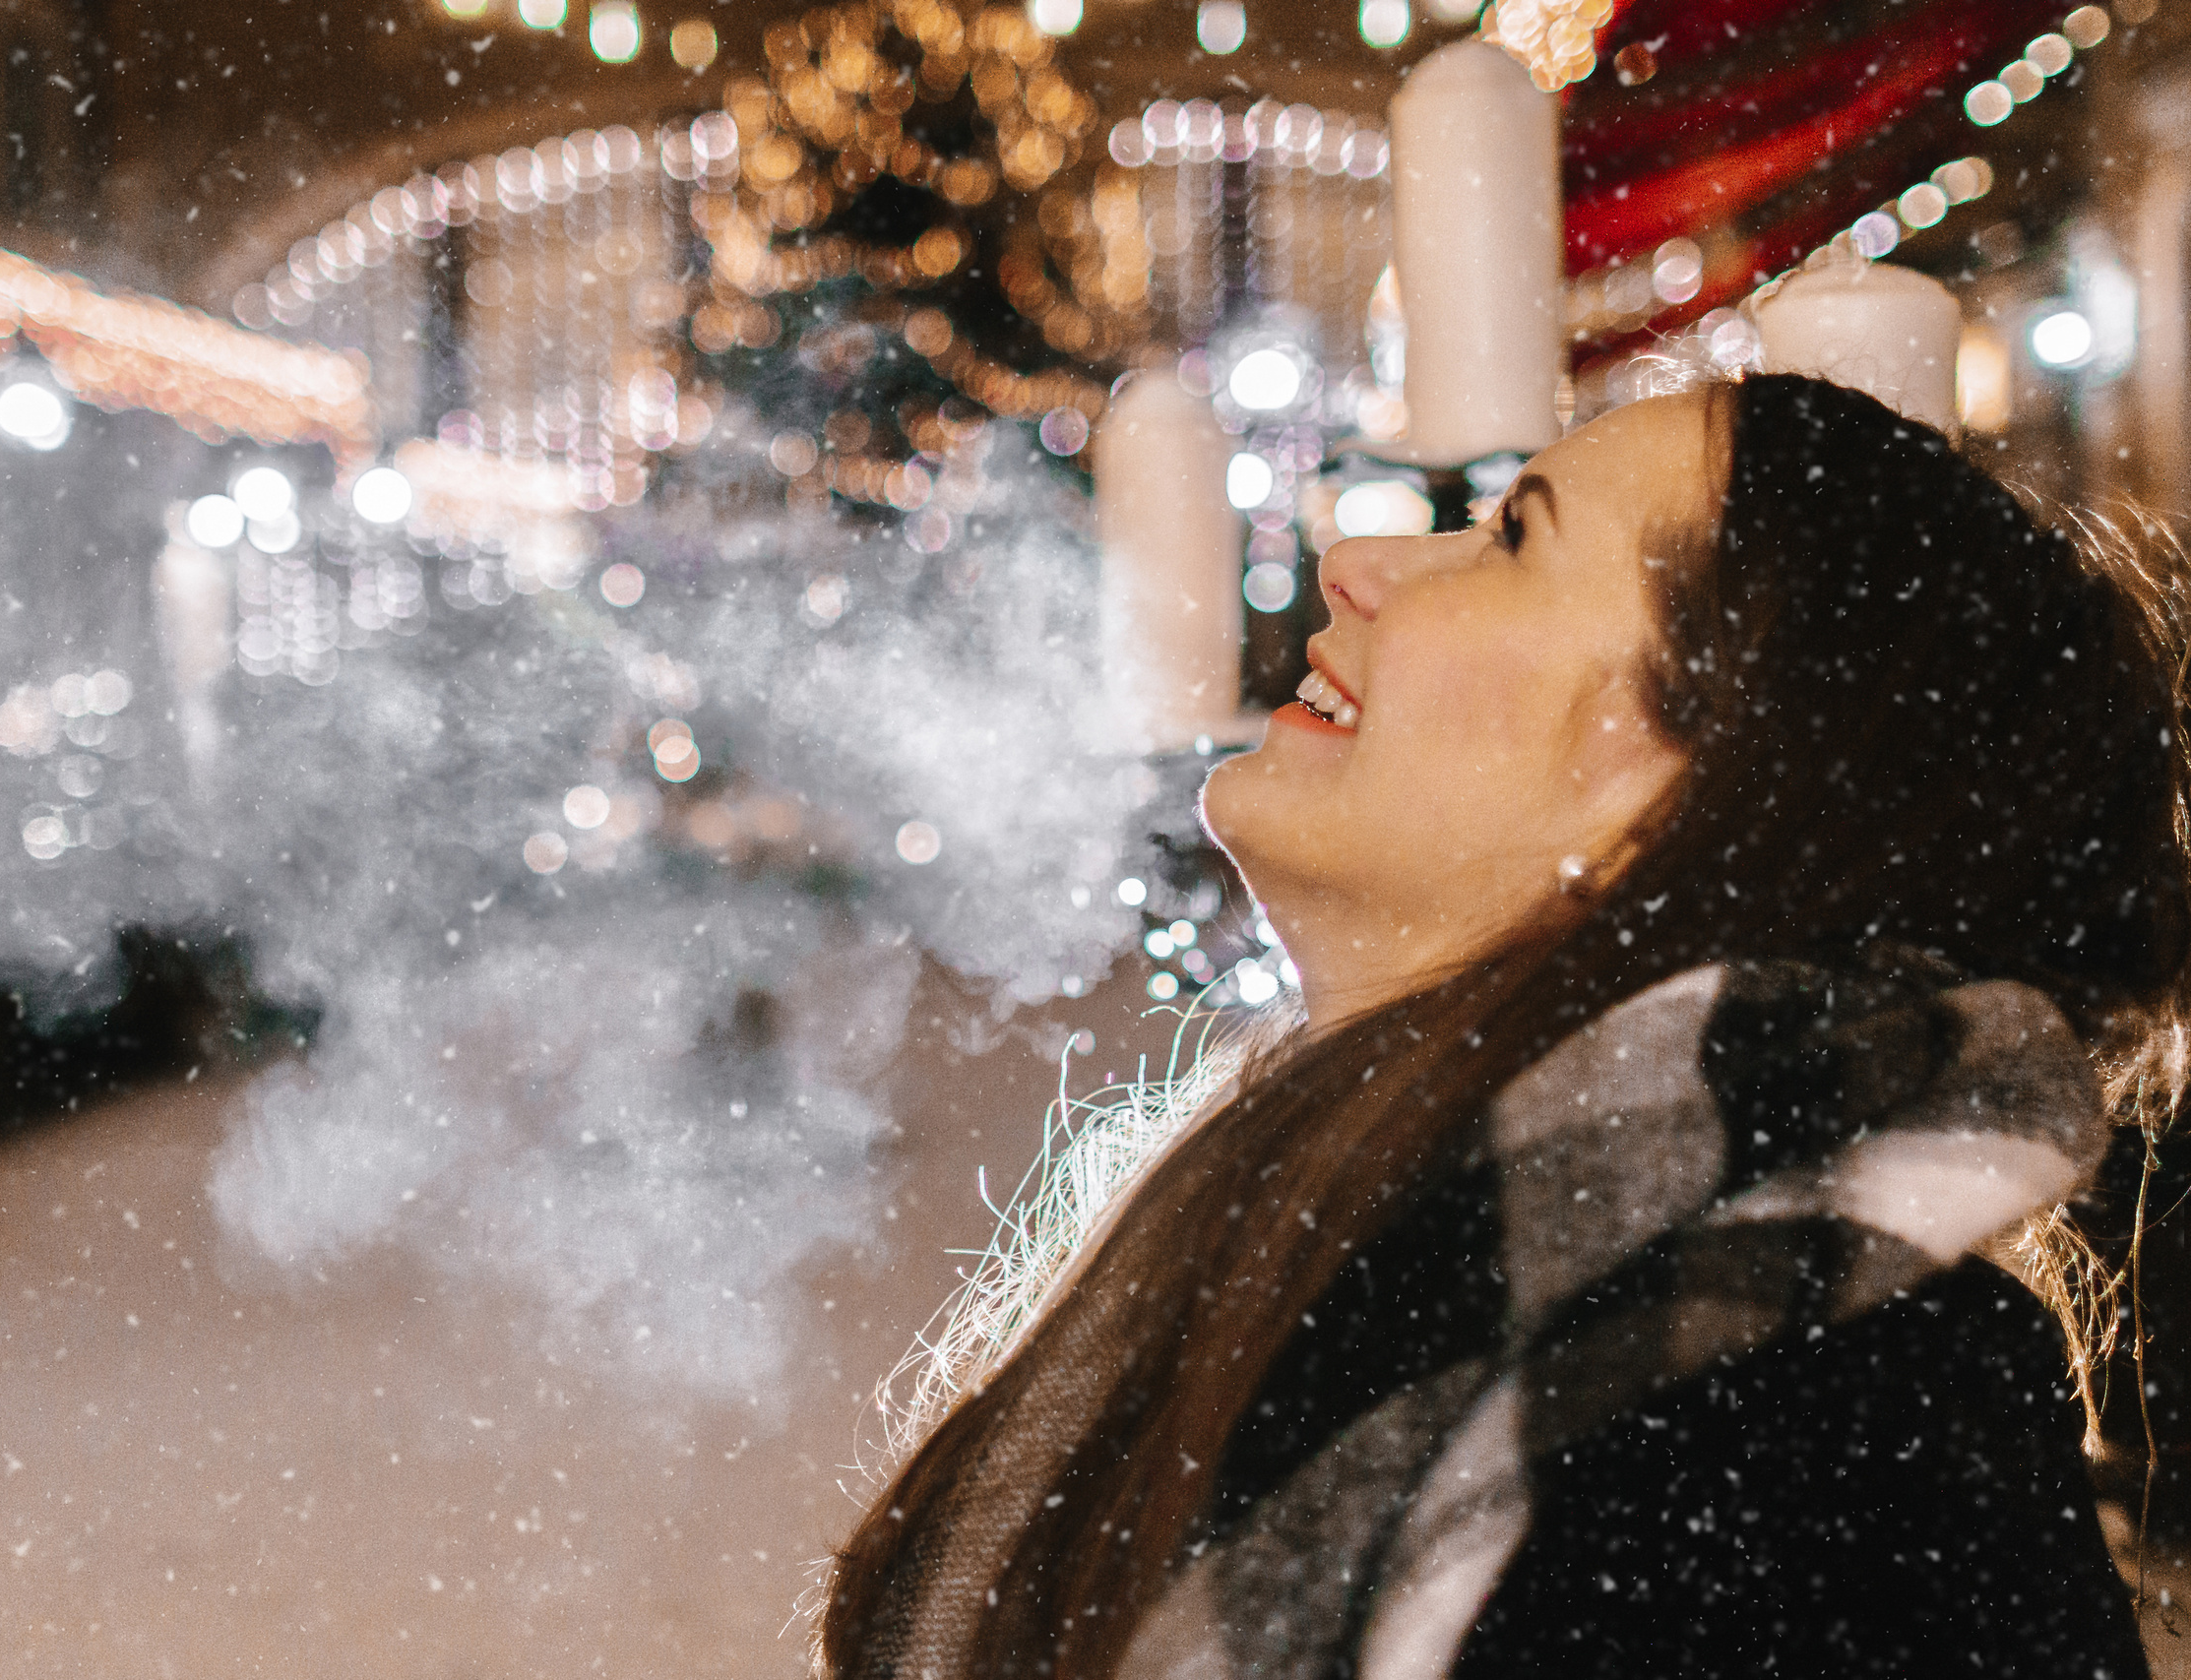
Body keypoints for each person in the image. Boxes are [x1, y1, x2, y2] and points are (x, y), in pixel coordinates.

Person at [818, 374, 2185, 1678]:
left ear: (1681, 785)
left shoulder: (1806, 1419)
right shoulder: (1414, 1236)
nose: (1360, 562)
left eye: (1513, 539)